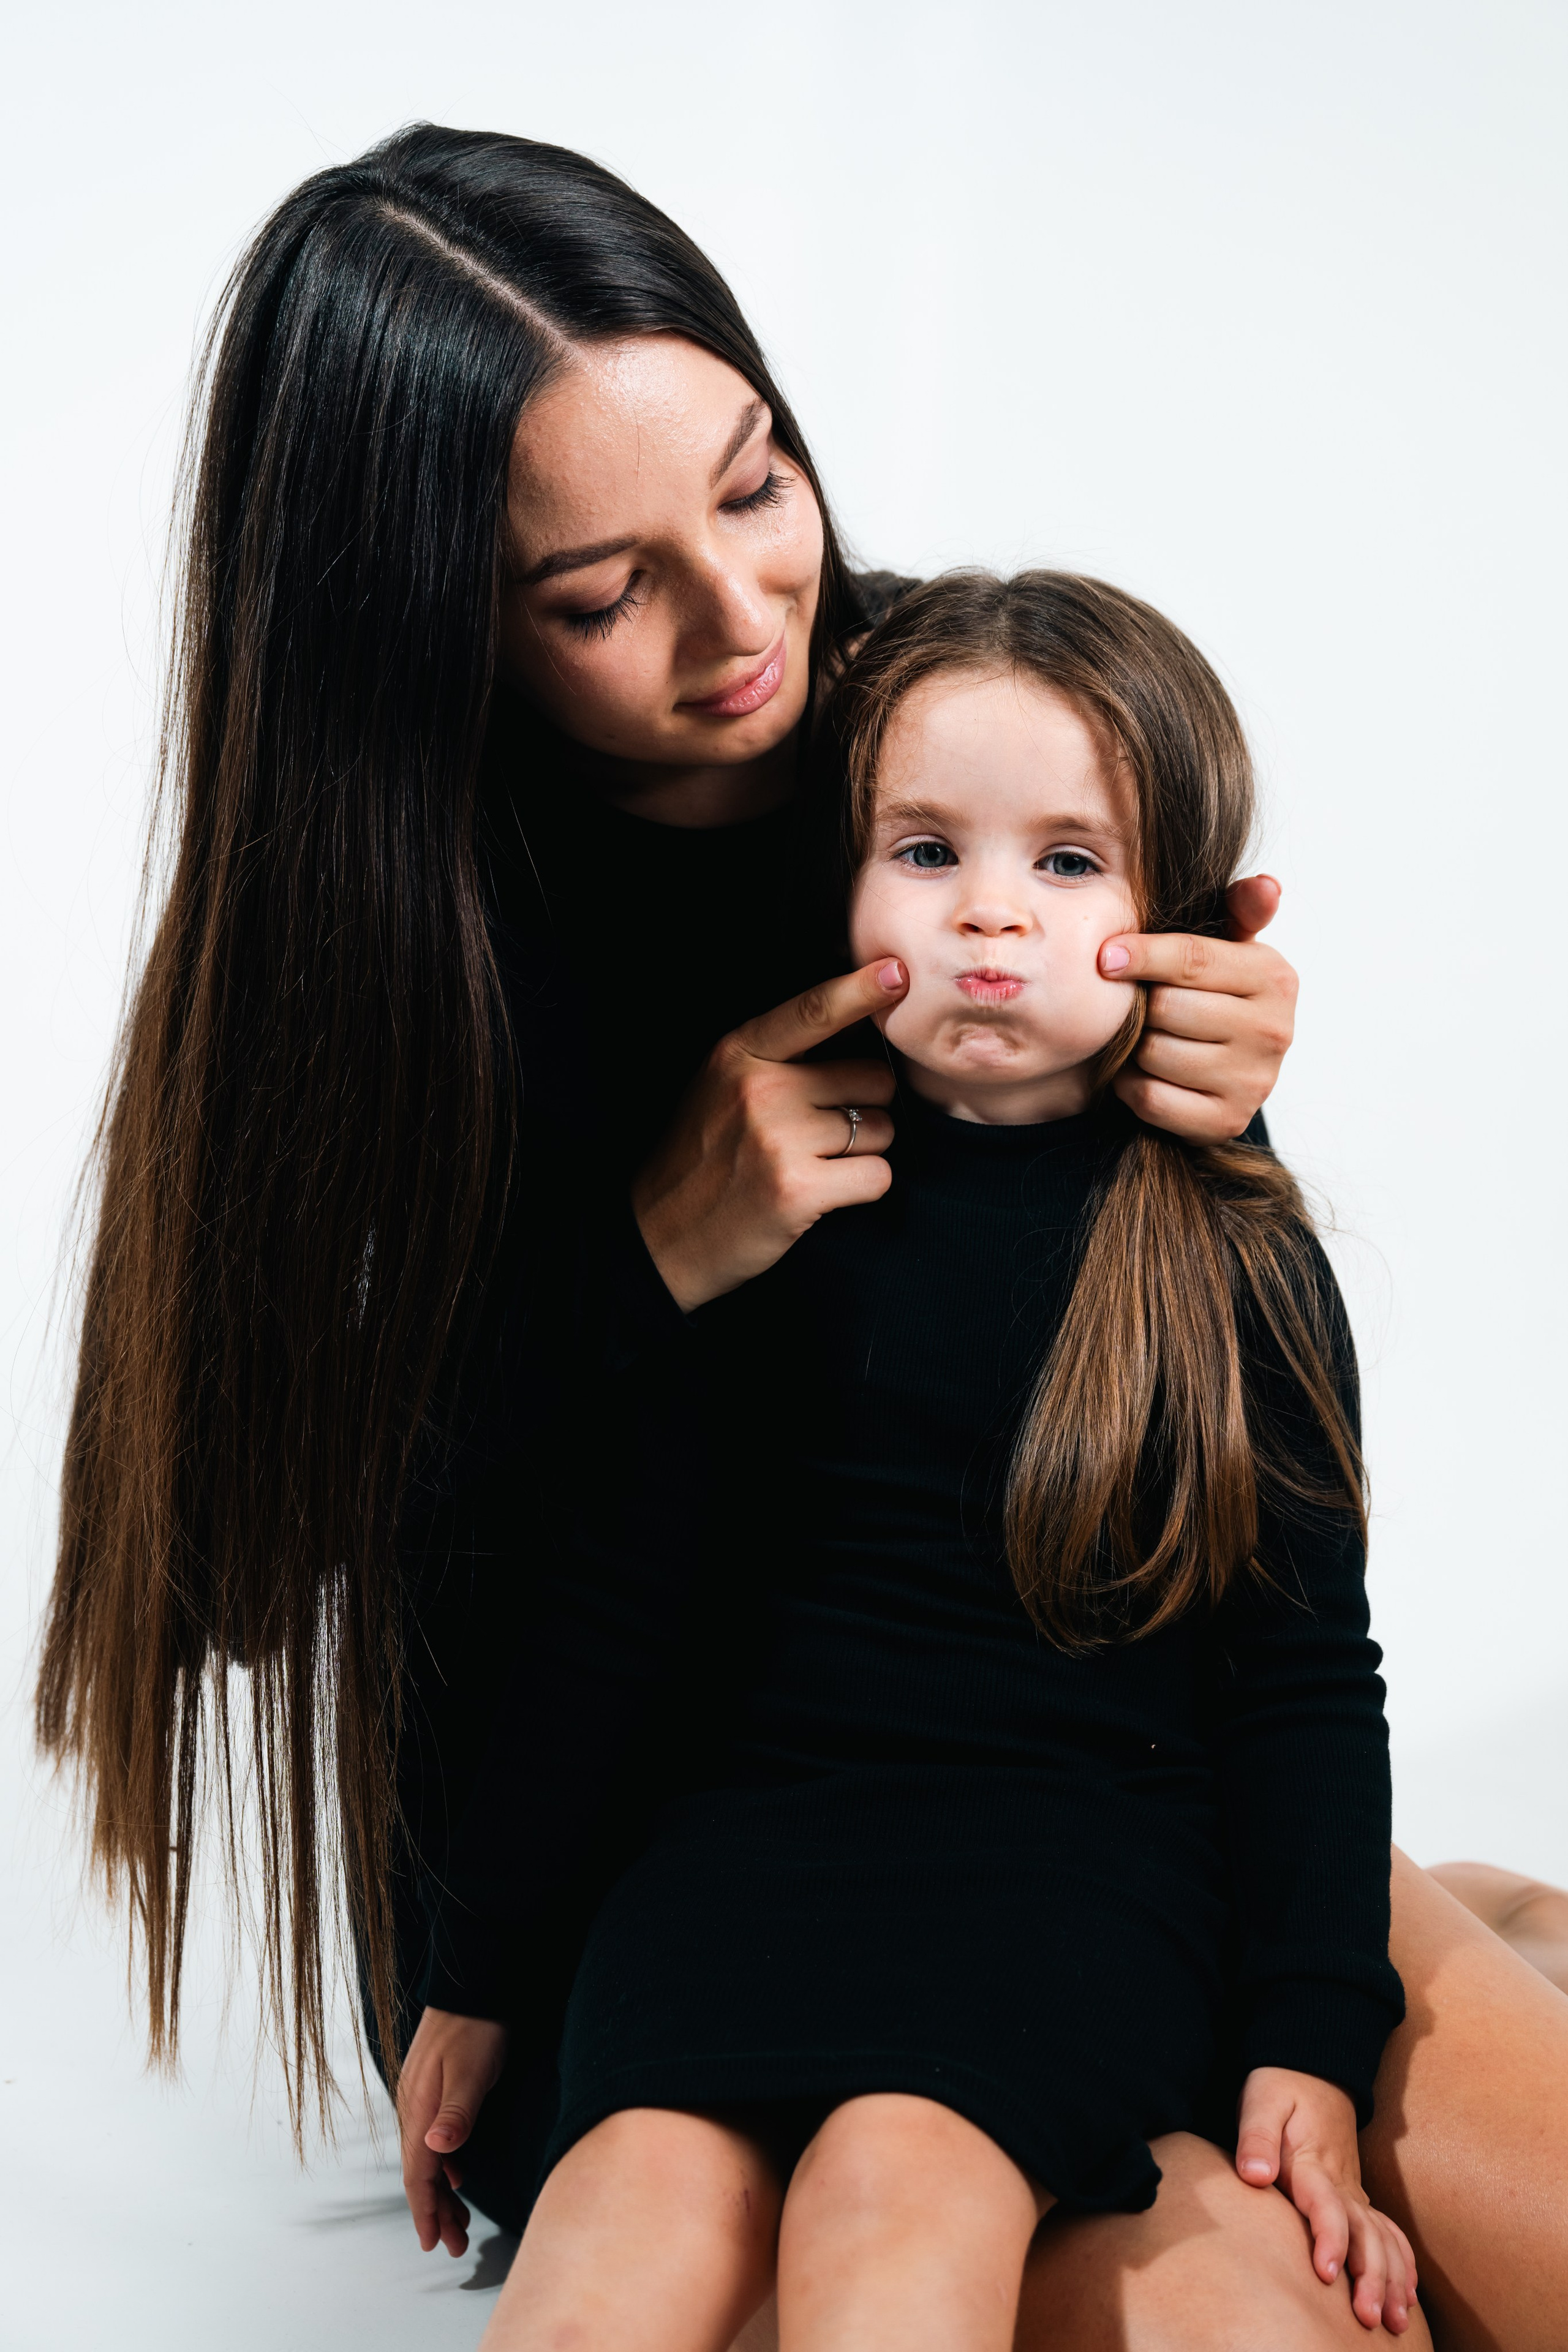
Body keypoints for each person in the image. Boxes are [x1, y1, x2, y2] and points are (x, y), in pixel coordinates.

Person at [31, 124, 1567, 2349]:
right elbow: (246, 1568)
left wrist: (1198, 1077)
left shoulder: (926, 749)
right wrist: (639, 1257)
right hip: (642, 1864)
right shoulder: (377, 961)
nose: (748, 621)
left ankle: (1444, 1923)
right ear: (432, 630)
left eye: (755, 485)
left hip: (1083, 1792)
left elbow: (1093, 1298)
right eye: (598, 592)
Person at [461, 567, 1423, 2351]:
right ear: (837, 878)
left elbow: (1301, 1679)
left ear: (1188, 918)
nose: (992, 913)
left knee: (899, 2197)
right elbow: (618, 1601)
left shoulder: (1226, 1248)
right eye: (928, 849)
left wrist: (1309, 2034)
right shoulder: (772, 1198)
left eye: (1069, 863)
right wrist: (484, 1969)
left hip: (1065, 1871)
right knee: (620, 2214)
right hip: (739, 1854)